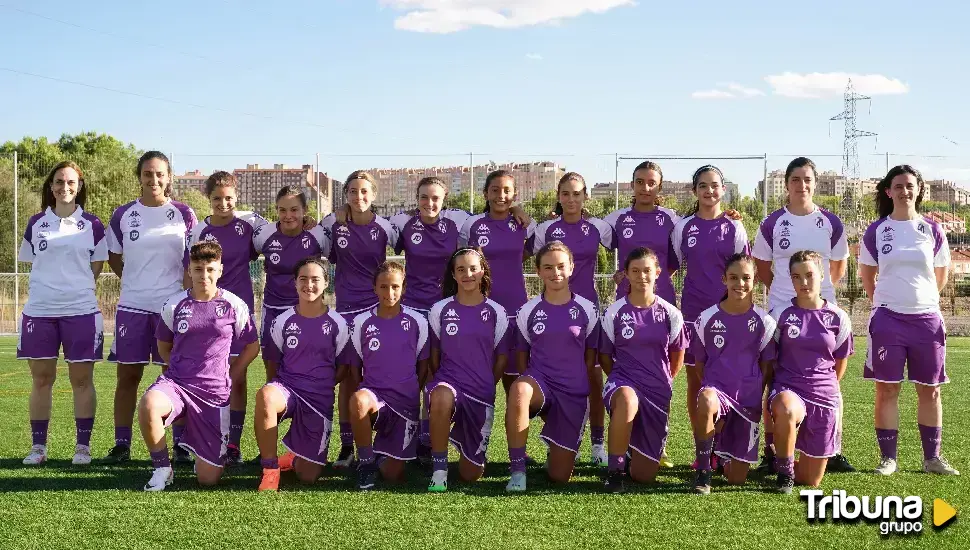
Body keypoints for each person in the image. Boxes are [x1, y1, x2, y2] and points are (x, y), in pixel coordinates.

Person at [752, 156, 854, 474]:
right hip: (782, 311)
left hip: (821, 313)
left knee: (828, 377)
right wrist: (787, 295)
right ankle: (773, 452)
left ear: (815, 183)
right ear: (787, 185)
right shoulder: (772, 223)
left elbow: (837, 267)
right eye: (795, 179)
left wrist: (815, 296)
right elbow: (763, 268)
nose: (802, 185)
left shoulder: (831, 222)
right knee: (776, 378)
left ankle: (828, 448)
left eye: (807, 179)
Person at [860, 165, 959, 476]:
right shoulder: (876, 230)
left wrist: (921, 300)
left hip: (927, 319)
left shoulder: (932, 230)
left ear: (919, 190)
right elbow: (867, 278)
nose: (904, 191)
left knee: (930, 390)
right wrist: (891, 302)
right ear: (888, 191)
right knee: (887, 389)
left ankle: (932, 459)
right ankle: (888, 459)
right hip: (888, 317)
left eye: (910, 186)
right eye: (898, 186)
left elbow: (940, 276)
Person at [137, 241, 259, 491]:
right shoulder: (174, 304)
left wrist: (232, 373)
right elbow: (163, 345)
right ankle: (162, 468)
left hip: (214, 393)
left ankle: (204, 454)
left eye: (210, 269)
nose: (204, 275)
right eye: (198, 268)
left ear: (220, 270)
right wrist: (179, 369)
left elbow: (252, 346)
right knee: (149, 403)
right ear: (189, 271)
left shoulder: (234, 305)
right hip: (178, 384)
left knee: (208, 479)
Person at [104, 151, 197, 464]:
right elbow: (114, 257)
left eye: (159, 174)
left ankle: (182, 444)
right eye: (147, 174)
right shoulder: (123, 214)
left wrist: (182, 295)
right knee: (127, 376)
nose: (154, 180)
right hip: (132, 306)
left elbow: (192, 261)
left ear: (169, 177)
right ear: (140, 177)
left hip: (171, 308)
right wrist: (134, 280)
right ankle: (121, 444)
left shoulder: (184, 214)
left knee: (174, 375)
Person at [19, 161, 107, 466]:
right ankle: (38, 447)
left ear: (79, 186)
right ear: (51, 186)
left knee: (82, 381)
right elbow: (34, 264)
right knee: (41, 380)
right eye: (59, 181)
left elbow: (95, 267)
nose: (64, 187)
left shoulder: (93, 225)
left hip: (81, 312)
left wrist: (75, 290)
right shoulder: (35, 223)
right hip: (40, 311)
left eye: (71, 182)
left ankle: (82, 448)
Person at [531, 172, 613, 466]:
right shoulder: (545, 230)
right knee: (551, 374)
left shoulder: (599, 228)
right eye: (565, 194)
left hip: (588, 311)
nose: (571, 199)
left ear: (586, 197)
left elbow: (628, 243)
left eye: (577, 194)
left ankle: (598, 443)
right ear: (559, 195)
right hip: (553, 312)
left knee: (592, 377)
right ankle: (556, 437)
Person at [671, 165, 749, 469]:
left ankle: (724, 447)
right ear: (695, 191)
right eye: (703, 186)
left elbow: (745, 273)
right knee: (696, 383)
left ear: (723, 189)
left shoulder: (734, 228)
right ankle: (702, 450)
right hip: (692, 316)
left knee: (726, 382)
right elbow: (669, 269)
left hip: (727, 316)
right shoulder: (684, 227)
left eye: (715, 185)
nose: (709, 191)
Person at [185, 171, 265, 464]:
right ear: (209, 199)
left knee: (238, 376)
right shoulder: (197, 232)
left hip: (238, 310)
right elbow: (188, 272)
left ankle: (233, 444)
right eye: (217, 198)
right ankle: (195, 439)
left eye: (229, 198)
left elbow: (281, 231)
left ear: (236, 198)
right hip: (205, 313)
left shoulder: (251, 226)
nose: (223, 203)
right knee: (202, 373)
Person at [320, 171, 399, 468]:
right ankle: (347, 445)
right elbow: (311, 234)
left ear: (373, 195)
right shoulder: (334, 224)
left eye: (364, 191)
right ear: (346, 195)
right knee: (349, 379)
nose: (358, 197)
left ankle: (387, 439)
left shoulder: (386, 228)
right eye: (352, 191)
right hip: (345, 311)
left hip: (377, 312)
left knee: (380, 373)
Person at [505, 241, 599, 492]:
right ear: (538, 271)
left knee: (559, 476)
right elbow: (523, 356)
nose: (555, 273)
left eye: (560, 266)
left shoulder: (587, 309)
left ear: (571, 268)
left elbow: (590, 357)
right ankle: (517, 471)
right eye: (548, 267)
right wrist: (531, 381)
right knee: (520, 389)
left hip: (573, 391)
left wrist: (577, 380)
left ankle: (557, 447)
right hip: (541, 383)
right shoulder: (528, 310)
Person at [254, 257, 351, 491]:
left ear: (326, 282)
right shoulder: (282, 321)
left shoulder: (338, 323)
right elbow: (272, 364)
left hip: (318, 399)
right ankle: (270, 469)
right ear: (295, 283)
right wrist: (276, 388)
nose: (309, 285)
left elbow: (342, 368)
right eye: (303, 279)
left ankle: (293, 457)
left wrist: (322, 384)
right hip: (288, 390)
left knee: (308, 476)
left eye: (315, 279)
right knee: (267, 395)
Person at [599, 247, 687, 493]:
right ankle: (614, 471)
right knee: (626, 400)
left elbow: (677, 354)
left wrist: (664, 379)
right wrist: (619, 377)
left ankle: (629, 453)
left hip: (657, 389)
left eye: (647, 271)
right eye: (635, 271)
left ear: (657, 273)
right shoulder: (614, 312)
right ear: (626, 274)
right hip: (623, 382)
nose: (641, 276)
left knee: (643, 475)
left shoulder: (671, 314)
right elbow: (605, 355)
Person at [691, 253, 777, 494]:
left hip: (747, 400)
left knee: (736, 479)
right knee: (707, 399)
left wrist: (753, 392)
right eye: (733, 277)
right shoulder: (706, 319)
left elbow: (766, 366)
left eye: (746, 278)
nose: (740, 283)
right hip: (718, 392)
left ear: (755, 280)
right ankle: (704, 471)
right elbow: (700, 363)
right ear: (724, 280)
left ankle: (722, 451)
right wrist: (712, 386)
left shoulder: (764, 322)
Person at [425, 247, 510, 491]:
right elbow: (434, 356)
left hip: (481, 391)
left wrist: (486, 383)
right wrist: (442, 381)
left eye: (473, 268)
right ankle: (439, 469)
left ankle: (465, 444)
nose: (468, 274)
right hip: (449, 382)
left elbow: (501, 359)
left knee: (470, 474)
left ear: (482, 271)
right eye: (461, 269)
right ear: (453, 275)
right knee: (440, 396)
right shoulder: (440, 310)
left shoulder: (497, 312)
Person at [769, 250, 853, 493]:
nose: (803, 282)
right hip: (789, 388)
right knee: (785, 407)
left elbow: (840, 360)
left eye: (809, 275)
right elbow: (770, 359)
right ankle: (784, 472)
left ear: (822, 275)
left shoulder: (838, 317)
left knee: (811, 480)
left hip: (824, 396)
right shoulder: (779, 314)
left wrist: (826, 388)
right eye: (796, 277)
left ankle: (783, 462)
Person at [347, 262, 430, 490]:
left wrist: (410, 390)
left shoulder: (418, 322)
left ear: (403, 288)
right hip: (375, 398)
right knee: (358, 400)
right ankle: (365, 463)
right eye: (383, 287)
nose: (389, 293)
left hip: (405, 404)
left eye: (395, 287)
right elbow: (355, 367)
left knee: (393, 474)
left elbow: (424, 367)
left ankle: (380, 453)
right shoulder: (361, 322)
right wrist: (363, 391)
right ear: (374, 288)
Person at [460, 170, 536, 395]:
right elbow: (465, 259)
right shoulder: (473, 225)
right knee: (478, 380)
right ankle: (478, 429)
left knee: (514, 386)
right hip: (481, 309)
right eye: (495, 190)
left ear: (515, 194)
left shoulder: (524, 224)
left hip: (515, 308)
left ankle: (516, 428)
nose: (501, 195)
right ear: (485, 194)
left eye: (507, 191)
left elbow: (530, 250)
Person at [603, 161, 681, 305]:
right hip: (626, 298)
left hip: (662, 298)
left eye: (652, 183)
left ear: (660, 187)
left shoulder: (672, 218)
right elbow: (582, 230)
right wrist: (556, 217)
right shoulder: (616, 218)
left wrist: (726, 217)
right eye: (640, 182)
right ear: (632, 185)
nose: (645, 188)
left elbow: (677, 261)